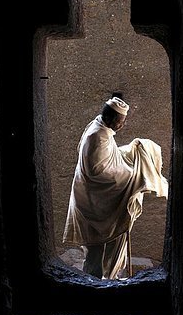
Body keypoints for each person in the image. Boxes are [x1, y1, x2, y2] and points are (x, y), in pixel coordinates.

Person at [63, 96, 168, 279]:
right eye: (121, 121)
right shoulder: (96, 136)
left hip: (99, 205)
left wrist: (130, 152)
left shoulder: (101, 129)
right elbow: (98, 171)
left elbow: (109, 157)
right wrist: (132, 174)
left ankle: (105, 282)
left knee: (104, 251)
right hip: (94, 205)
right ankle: (92, 289)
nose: (122, 125)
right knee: (95, 254)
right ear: (111, 119)